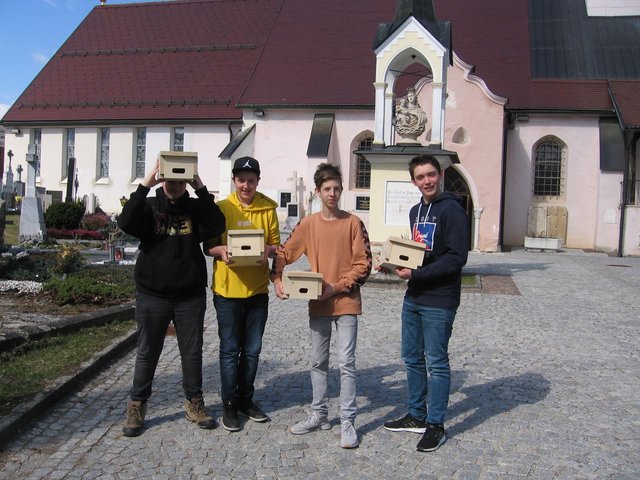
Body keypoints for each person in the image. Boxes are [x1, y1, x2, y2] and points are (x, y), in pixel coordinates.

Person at [118, 158, 226, 437]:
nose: (176, 185)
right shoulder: (150, 206)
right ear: (163, 179)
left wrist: (199, 186)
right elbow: (126, 222)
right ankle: (137, 405)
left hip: (189, 294)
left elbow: (216, 224)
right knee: (147, 352)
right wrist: (145, 184)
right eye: (171, 180)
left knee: (191, 353)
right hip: (152, 293)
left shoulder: (194, 207)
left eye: (181, 180)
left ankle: (194, 402)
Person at [271, 163, 372, 449]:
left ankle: (348, 420)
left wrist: (336, 287)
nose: (333, 193)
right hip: (317, 303)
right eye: (327, 189)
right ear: (317, 191)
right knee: (317, 361)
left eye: (337, 188)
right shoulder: (308, 224)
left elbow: (364, 264)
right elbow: (284, 252)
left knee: (347, 363)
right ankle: (319, 414)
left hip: (346, 302)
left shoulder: (353, 223)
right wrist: (277, 278)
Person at [382, 154, 469, 452]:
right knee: (411, 357)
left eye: (431, 174)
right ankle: (417, 415)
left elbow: (457, 258)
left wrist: (416, 273)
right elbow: (419, 253)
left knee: (436, 362)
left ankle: (436, 425)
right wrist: (394, 263)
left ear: (441, 174)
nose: (427, 181)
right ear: (413, 181)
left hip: (440, 299)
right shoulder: (416, 210)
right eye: (420, 177)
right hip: (415, 296)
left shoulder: (452, 210)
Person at [205, 156, 280, 432]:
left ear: (258, 180)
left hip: (257, 290)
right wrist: (221, 250)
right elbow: (208, 246)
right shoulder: (222, 208)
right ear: (234, 181)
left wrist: (267, 253)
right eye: (241, 180)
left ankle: (246, 400)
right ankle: (229, 404)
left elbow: (275, 244)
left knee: (252, 351)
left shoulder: (267, 209)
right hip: (227, 290)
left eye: (251, 180)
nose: (246, 185)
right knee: (229, 350)